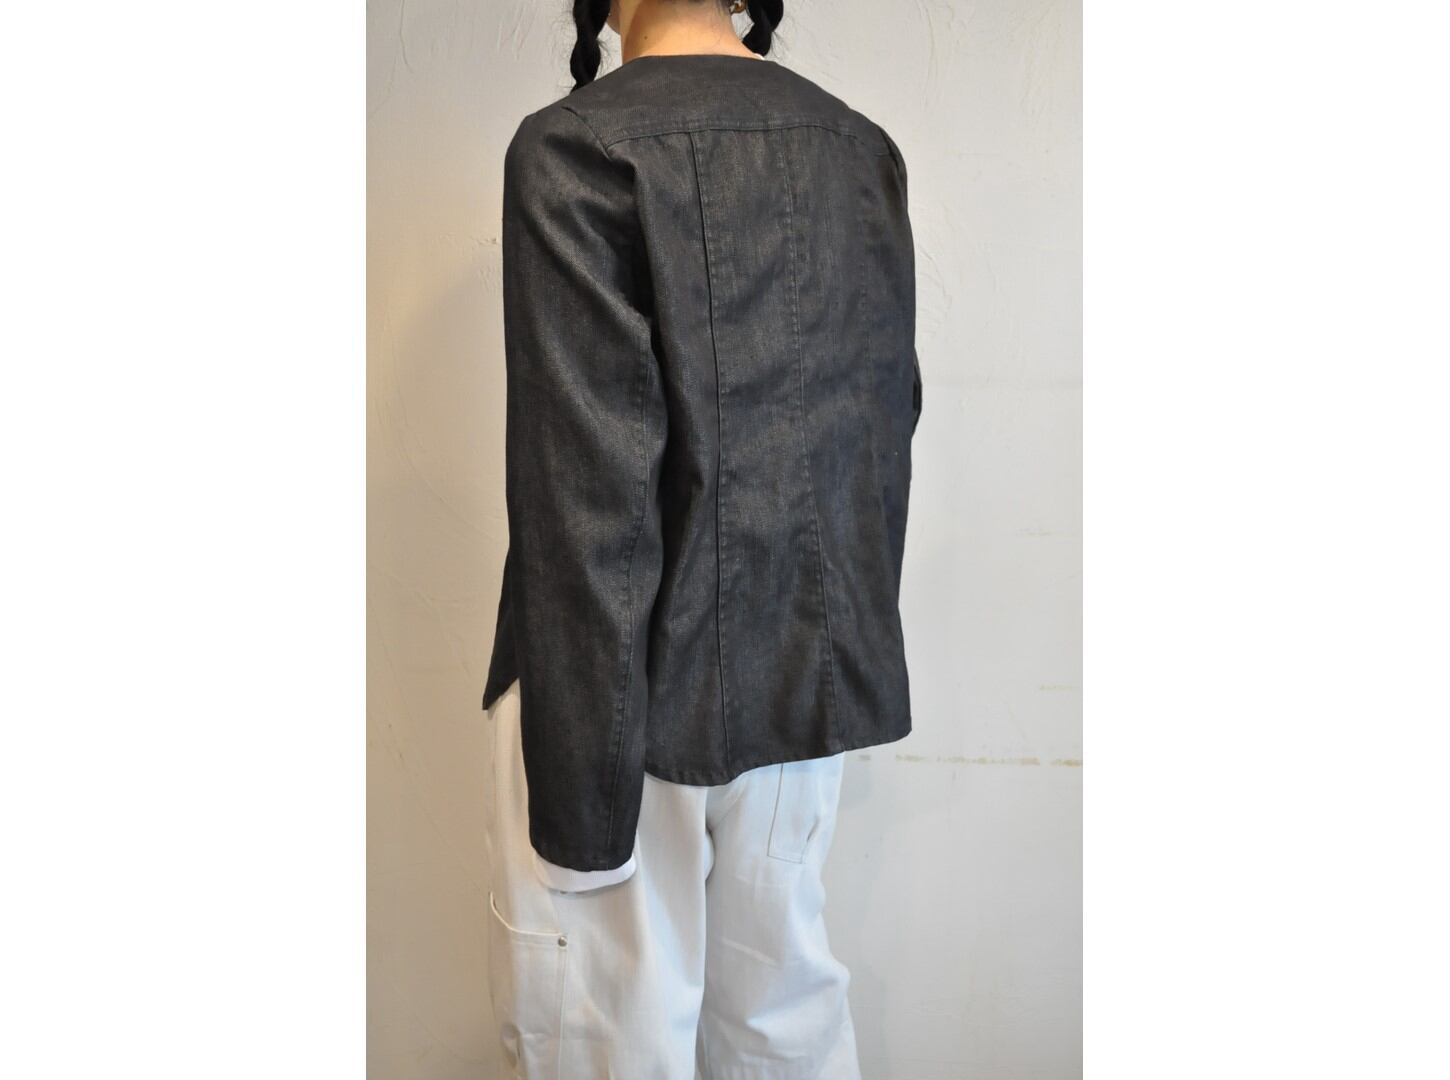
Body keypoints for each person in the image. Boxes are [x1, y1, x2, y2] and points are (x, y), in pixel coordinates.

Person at [481, 0, 922, 1075]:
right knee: (783, 1022)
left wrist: (580, 818)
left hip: (616, 702)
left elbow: (586, 491)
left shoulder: (575, 147)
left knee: (605, 1035)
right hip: (801, 694)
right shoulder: (859, 147)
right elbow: (881, 427)